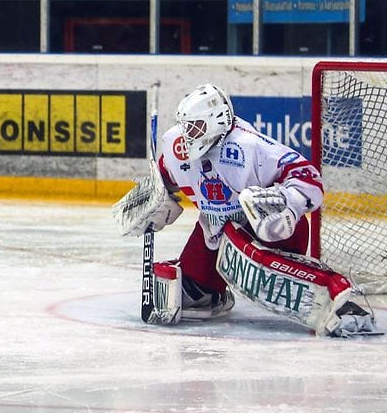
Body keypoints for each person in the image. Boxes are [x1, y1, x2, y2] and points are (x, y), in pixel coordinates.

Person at [114, 84, 377, 337]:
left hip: (269, 234)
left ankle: (331, 297)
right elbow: (166, 177)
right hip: (216, 232)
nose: (188, 135)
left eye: (196, 127)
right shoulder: (177, 145)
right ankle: (213, 292)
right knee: (192, 299)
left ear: (216, 121)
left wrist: (286, 200)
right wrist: (153, 198)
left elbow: (309, 177)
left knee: (275, 274)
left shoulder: (250, 147)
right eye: (186, 127)